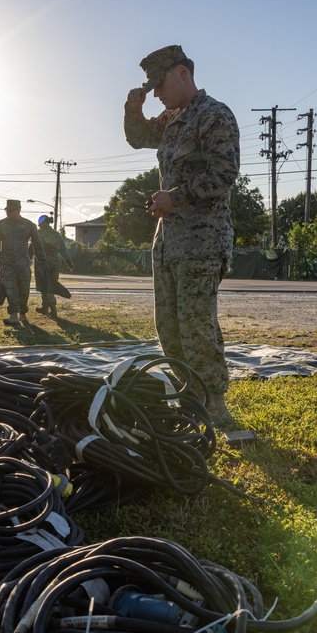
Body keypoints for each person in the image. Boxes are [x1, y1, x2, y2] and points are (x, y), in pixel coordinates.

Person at [123, 44, 240, 429]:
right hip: (169, 240)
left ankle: (215, 403)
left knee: (196, 325)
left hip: (201, 240)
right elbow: (138, 138)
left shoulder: (214, 115)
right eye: (152, 87)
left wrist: (174, 198)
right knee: (169, 326)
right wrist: (134, 109)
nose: (157, 92)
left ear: (183, 73)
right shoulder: (172, 118)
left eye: (159, 84)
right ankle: (189, 396)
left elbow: (224, 174)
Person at [0, 199, 44, 326]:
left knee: (24, 289)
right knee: (10, 289)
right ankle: (13, 315)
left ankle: (23, 314)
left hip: (23, 263)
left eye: (10, 211)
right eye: (6, 211)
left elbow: (37, 244)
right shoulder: (0, 225)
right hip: (6, 263)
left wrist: (42, 260)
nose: (8, 213)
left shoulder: (29, 225)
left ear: (18, 210)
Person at [34, 215, 74, 319]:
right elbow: (63, 250)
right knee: (52, 285)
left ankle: (53, 310)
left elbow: (32, 248)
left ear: (43, 223)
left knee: (44, 286)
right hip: (55, 264)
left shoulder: (38, 233)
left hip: (42, 264)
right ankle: (45, 307)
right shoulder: (56, 234)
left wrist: (27, 258)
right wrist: (69, 263)